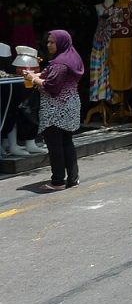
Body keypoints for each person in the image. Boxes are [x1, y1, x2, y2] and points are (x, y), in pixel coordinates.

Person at [25, 30, 84, 190]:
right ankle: (73, 178)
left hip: (56, 109)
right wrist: (36, 74)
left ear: (61, 43)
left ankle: (57, 181)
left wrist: (33, 79)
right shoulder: (72, 57)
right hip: (70, 105)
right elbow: (51, 75)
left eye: (52, 42)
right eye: (48, 42)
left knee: (55, 145)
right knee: (66, 142)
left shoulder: (60, 63)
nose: (49, 45)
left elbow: (52, 86)